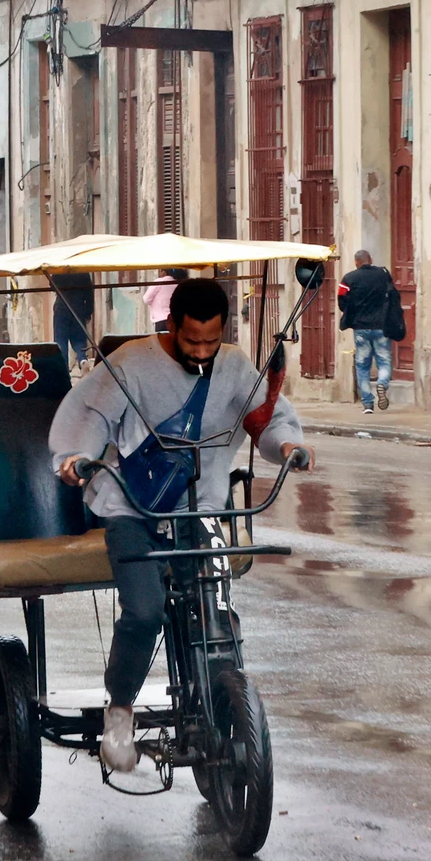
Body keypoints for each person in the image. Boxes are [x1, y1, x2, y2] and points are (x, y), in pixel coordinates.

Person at [50, 278, 315, 773]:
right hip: (134, 509)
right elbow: (91, 417)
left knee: (218, 607)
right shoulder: (130, 363)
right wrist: (75, 456)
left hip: (201, 507)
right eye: (192, 340)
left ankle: (221, 699)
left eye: (211, 341)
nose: (201, 351)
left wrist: (288, 447)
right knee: (145, 611)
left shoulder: (234, 367)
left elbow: (266, 418)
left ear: (223, 331)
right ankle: (120, 712)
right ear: (171, 323)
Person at [336, 250, 396, 414]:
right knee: (384, 360)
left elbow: (341, 300)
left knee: (362, 365)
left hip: (360, 328)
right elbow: (392, 295)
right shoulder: (383, 274)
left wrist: (352, 313)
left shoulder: (349, 278)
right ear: (371, 259)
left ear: (356, 262)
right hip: (381, 326)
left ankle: (368, 404)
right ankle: (382, 384)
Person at [49, 272, 94, 371]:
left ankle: (63, 370)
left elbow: (52, 284)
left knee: (61, 341)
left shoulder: (59, 269)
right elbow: (89, 293)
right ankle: (82, 359)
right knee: (79, 340)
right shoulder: (83, 271)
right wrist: (88, 312)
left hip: (61, 308)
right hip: (78, 308)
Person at [143, 268, 187, 332]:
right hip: (175, 319)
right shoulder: (177, 284)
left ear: (164, 272)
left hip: (161, 320)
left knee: (162, 337)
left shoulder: (159, 282)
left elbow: (146, 299)